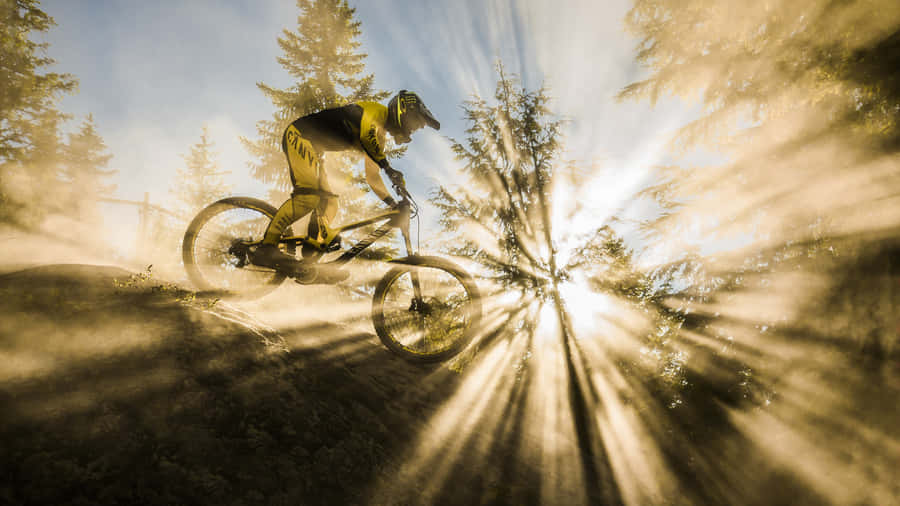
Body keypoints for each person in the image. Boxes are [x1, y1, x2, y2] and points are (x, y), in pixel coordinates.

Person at [250, 90, 440, 283]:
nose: (413, 130)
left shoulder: (379, 138)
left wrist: (392, 203)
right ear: (403, 112)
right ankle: (267, 247)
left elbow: (372, 176)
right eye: (415, 123)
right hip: (300, 136)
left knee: (330, 205)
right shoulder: (376, 112)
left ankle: (309, 264)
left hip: (315, 151)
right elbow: (367, 137)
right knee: (307, 199)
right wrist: (389, 168)